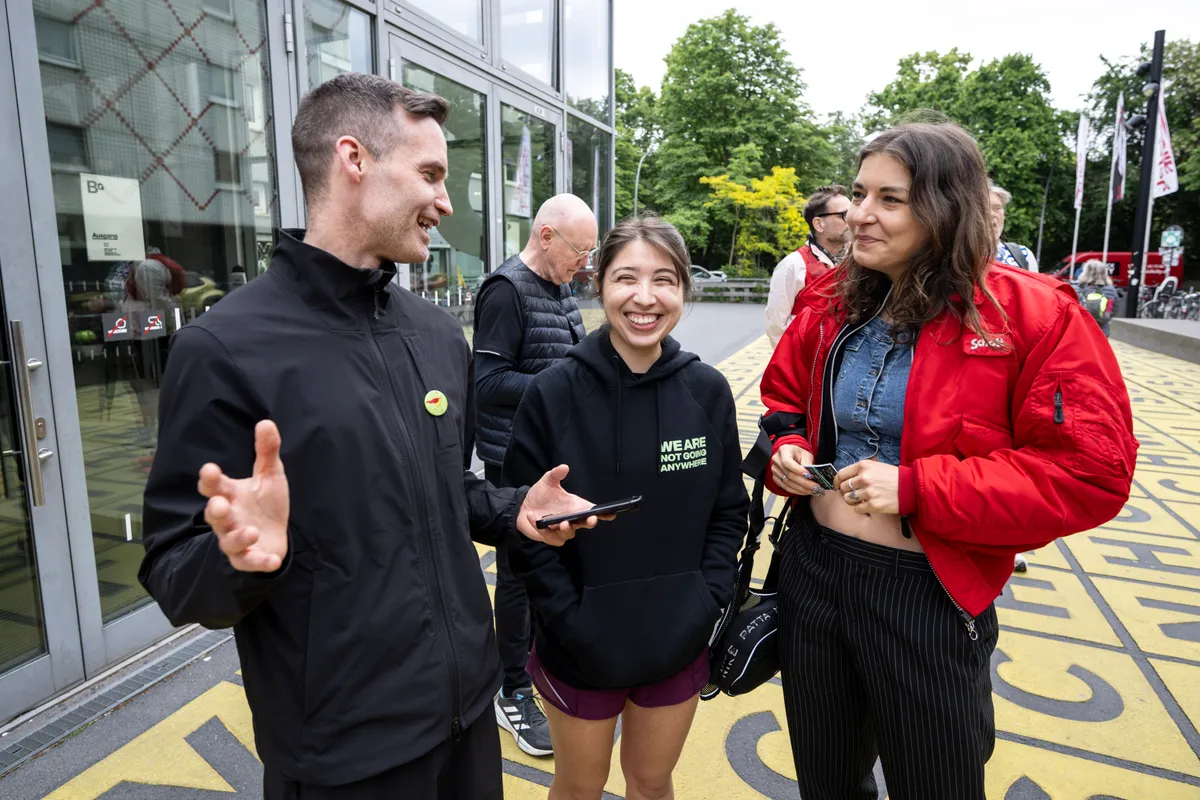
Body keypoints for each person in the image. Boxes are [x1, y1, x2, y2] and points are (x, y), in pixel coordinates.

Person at [138, 72, 607, 800]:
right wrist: (244, 558)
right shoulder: (224, 348)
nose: (446, 203)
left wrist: (512, 510)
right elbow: (176, 574)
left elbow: (445, 492)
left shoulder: (434, 332)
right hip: (343, 754)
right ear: (353, 159)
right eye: (429, 174)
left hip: (466, 720)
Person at [760, 121, 1137, 799]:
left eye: (889, 199)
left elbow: (1091, 472)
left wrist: (918, 488)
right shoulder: (830, 300)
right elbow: (783, 398)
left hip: (927, 591)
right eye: (857, 194)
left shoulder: (1033, 314)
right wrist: (786, 449)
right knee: (826, 779)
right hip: (812, 574)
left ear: (946, 206)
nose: (859, 215)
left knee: (937, 780)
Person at [504, 216, 748, 800]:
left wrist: (705, 602)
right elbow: (525, 527)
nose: (645, 297)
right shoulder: (553, 393)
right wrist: (570, 619)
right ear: (598, 284)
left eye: (664, 279)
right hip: (578, 643)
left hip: (678, 638)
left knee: (651, 781)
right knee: (580, 785)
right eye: (626, 278)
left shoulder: (707, 391)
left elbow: (727, 511)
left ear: (684, 290)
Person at [472, 193, 596, 756]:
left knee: (553, 564)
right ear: (545, 236)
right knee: (519, 577)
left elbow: (560, 357)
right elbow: (489, 385)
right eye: (578, 250)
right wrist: (564, 389)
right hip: (512, 460)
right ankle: (511, 689)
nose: (584, 264)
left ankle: (539, 669)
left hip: (551, 455)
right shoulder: (505, 290)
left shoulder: (559, 282)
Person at [765, 185, 851, 347]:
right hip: (807, 361)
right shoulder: (794, 266)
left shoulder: (858, 261)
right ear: (819, 224)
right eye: (844, 215)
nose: (853, 220)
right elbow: (776, 328)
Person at [990, 183, 1038, 272]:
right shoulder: (960, 257)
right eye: (984, 208)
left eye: (997, 208)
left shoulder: (1024, 255)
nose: (992, 214)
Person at [1073, 259, 1120, 338]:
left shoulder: (1076, 289)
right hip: (1101, 330)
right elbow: (1113, 310)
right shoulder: (1111, 290)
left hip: (1080, 329)